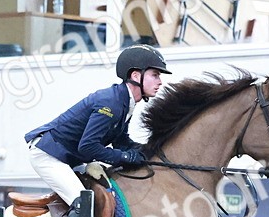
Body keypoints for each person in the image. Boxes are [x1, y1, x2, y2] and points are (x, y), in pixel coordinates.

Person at [23, 44, 170, 205]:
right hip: (48, 155)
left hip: (70, 156)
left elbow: (120, 141)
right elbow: (87, 146)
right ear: (136, 75)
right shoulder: (110, 103)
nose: (160, 82)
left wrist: (148, 151)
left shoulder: (125, 102)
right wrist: (125, 157)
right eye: (155, 75)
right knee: (84, 204)